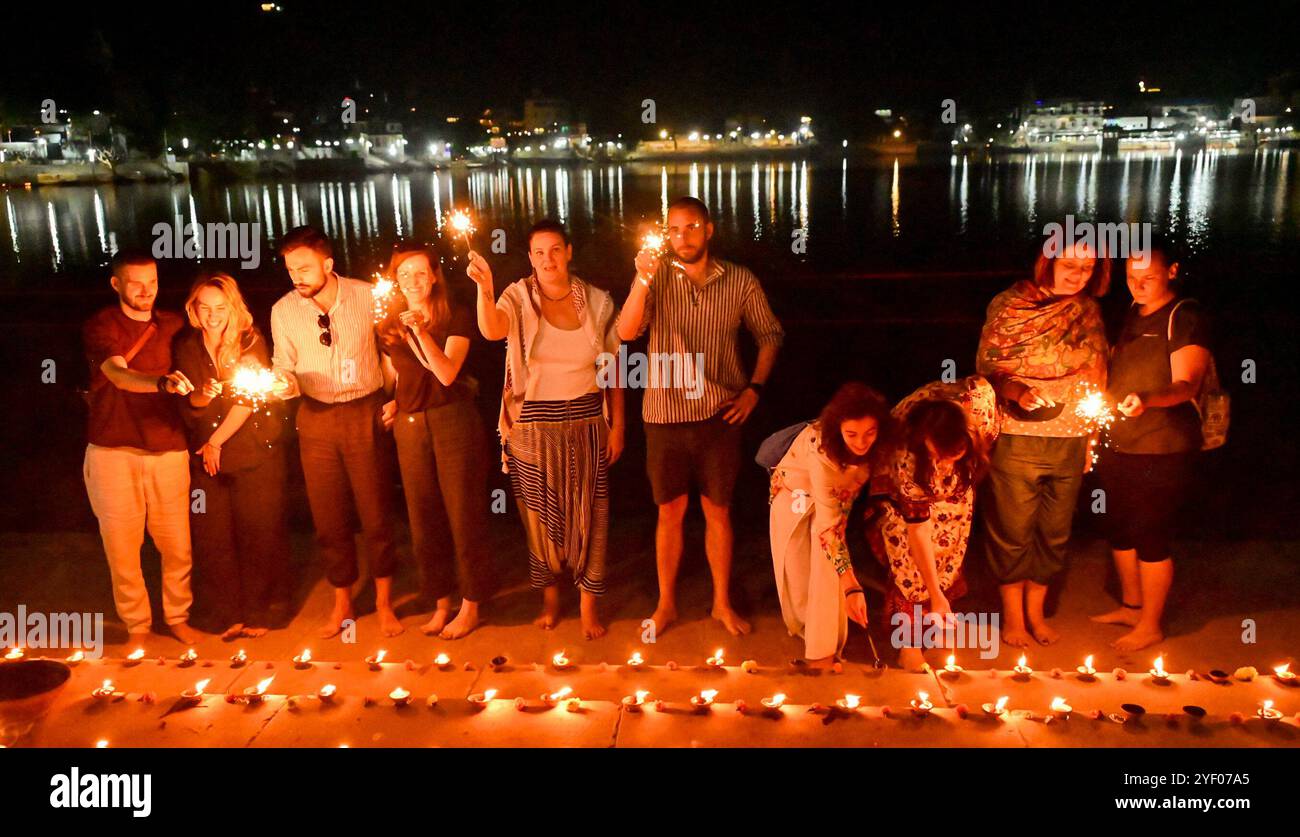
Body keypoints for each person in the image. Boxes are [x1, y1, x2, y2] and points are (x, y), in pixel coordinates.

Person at [617, 196, 784, 636]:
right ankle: (666, 604)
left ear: (708, 229)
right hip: (663, 414)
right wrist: (640, 278)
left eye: (691, 227)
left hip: (718, 415)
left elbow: (769, 334)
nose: (682, 237)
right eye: (673, 229)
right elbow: (626, 331)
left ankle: (721, 603)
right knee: (669, 512)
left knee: (718, 511)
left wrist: (754, 390)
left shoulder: (739, 280)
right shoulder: (657, 278)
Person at [467, 219, 624, 639]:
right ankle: (551, 599)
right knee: (538, 518)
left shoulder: (597, 301)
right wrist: (484, 286)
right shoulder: (516, 297)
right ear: (530, 258)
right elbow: (491, 330)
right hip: (532, 423)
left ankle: (589, 605)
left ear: (569, 251)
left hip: (588, 420)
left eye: (555, 250)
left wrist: (618, 424)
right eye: (538, 252)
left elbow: (613, 368)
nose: (547, 259)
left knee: (591, 515)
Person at [269, 225, 402, 639]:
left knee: (376, 511)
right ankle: (342, 601)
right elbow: (282, 365)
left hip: (365, 410)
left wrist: (395, 396)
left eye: (305, 268)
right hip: (316, 416)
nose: (297, 277)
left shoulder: (367, 297)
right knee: (329, 517)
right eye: (291, 269)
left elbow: (394, 350)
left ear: (328, 264)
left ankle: (383, 601)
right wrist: (284, 384)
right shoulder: (284, 310)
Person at [977, 235, 1109, 647]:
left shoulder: (1087, 310)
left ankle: (1037, 612)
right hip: (1018, 436)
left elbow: (1097, 371)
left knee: (1054, 530)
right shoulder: (1009, 305)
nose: (1077, 275)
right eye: (1069, 264)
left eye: (1087, 268)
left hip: (1070, 437)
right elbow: (989, 366)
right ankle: (1014, 617)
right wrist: (1019, 392)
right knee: (1012, 529)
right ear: (1047, 262)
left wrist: (1091, 436)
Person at [1091, 237, 1210, 651]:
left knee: (1151, 531)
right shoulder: (1131, 312)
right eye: (1130, 277)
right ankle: (1131, 605)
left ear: (1172, 271)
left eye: (1148, 278)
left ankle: (1151, 624)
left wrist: (1146, 400)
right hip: (1120, 441)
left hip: (1163, 446)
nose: (1138, 286)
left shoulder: (1184, 315)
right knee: (1119, 527)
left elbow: (1187, 383)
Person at [81, 248, 200, 643]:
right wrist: (160, 383)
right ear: (116, 284)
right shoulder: (103, 325)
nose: (145, 290)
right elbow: (117, 372)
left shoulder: (174, 324)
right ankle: (138, 627)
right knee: (122, 547)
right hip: (112, 450)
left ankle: (178, 616)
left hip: (167, 447)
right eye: (136, 283)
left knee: (177, 544)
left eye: (152, 282)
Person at [377, 242, 492, 640]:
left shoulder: (455, 316)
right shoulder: (388, 325)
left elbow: (445, 374)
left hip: (453, 421)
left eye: (421, 273)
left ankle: (471, 604)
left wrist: (421, 332)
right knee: (422, 517)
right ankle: (441, 601)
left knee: (463, 513)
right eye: (404, 274)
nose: (413, 281)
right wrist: (393, 402)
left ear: (434, 276)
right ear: (395, 279)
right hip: (411, 426)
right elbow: (396, 376)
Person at [174, 272, 289, 641]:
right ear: (194, 309)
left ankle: (259, 610)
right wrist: (204, 397)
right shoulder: (186, 346)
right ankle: (228, 613)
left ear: (232, 307)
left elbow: (248, 399)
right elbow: (188, 400)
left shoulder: (250, 341)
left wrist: (216, 442)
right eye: (204, 307)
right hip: (203, 454)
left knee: (258, 531)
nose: (212, 315)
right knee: (212, 535)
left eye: (220, 307)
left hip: (250, 449)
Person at [866, 376, 998, 671]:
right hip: (907, 507)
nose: (947, 461)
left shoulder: (982, 415)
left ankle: (938, 629)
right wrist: (933, 593)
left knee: (949, 554)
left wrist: (941, 592)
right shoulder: (906, 452)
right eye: (940, 454)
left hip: (953, 499)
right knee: (911, 569)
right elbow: (918, 529)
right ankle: (910, 644)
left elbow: (988, 381)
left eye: (956, 453)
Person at [769, 383, 891, 666]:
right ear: (838, 430)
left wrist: (848, 584)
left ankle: (822, 650)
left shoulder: (879, 445)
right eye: (852, 434)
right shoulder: (821, 449)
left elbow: (835, 521)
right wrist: (852, 586)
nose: (861, 442)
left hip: (835, 496)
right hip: (795, 491)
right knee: (797, 569)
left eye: (869, 433)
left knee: (829, 564)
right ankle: (807, 627)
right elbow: (829, 527)